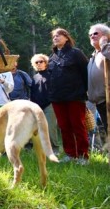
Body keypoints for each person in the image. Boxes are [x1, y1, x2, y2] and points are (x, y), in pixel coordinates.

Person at [48, 28, 89, 165]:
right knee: (64, 127)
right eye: (54, 36)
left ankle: (83, 156)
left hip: (75, 96)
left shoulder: (76, 53)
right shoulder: (52, 57)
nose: (56, 37)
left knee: (78, 126)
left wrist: (85, 92)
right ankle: (71, 154)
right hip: (57, 98)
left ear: (66, 37)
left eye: (59, 35)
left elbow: (86, 73)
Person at [30, 53, 61, 153]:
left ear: (46, 63)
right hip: (37, 107)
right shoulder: (34, 77)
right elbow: (33, 93)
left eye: (41, 61)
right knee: (38, 128)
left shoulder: (51, 74)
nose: (39, 64)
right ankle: (41, 149)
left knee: (50, 127)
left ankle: (55, 149)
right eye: (36, 62)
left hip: (50, 105)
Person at [87, 23, 110, 137]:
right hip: (100, 102)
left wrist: (104, 45)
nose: (92, 36)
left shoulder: (107, 50)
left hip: (108, 98)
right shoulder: (94, 55)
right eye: (90, 34)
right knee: (106, 131)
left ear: (105, 35)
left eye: (96, 33)